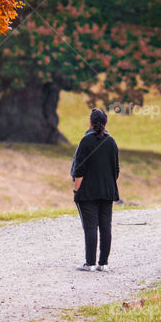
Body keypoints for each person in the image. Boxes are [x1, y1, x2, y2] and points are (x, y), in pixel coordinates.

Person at [70, 108, 120, 272]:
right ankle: (103, 263)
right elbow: (116, 170)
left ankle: (90, 263)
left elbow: (79, 169)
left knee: (90, 227)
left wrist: (76, 191)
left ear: (90, 122)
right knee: (106, 226)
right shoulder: (111, 142)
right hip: (107, 191)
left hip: (88, 192)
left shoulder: (86, 141)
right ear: (105, 123)